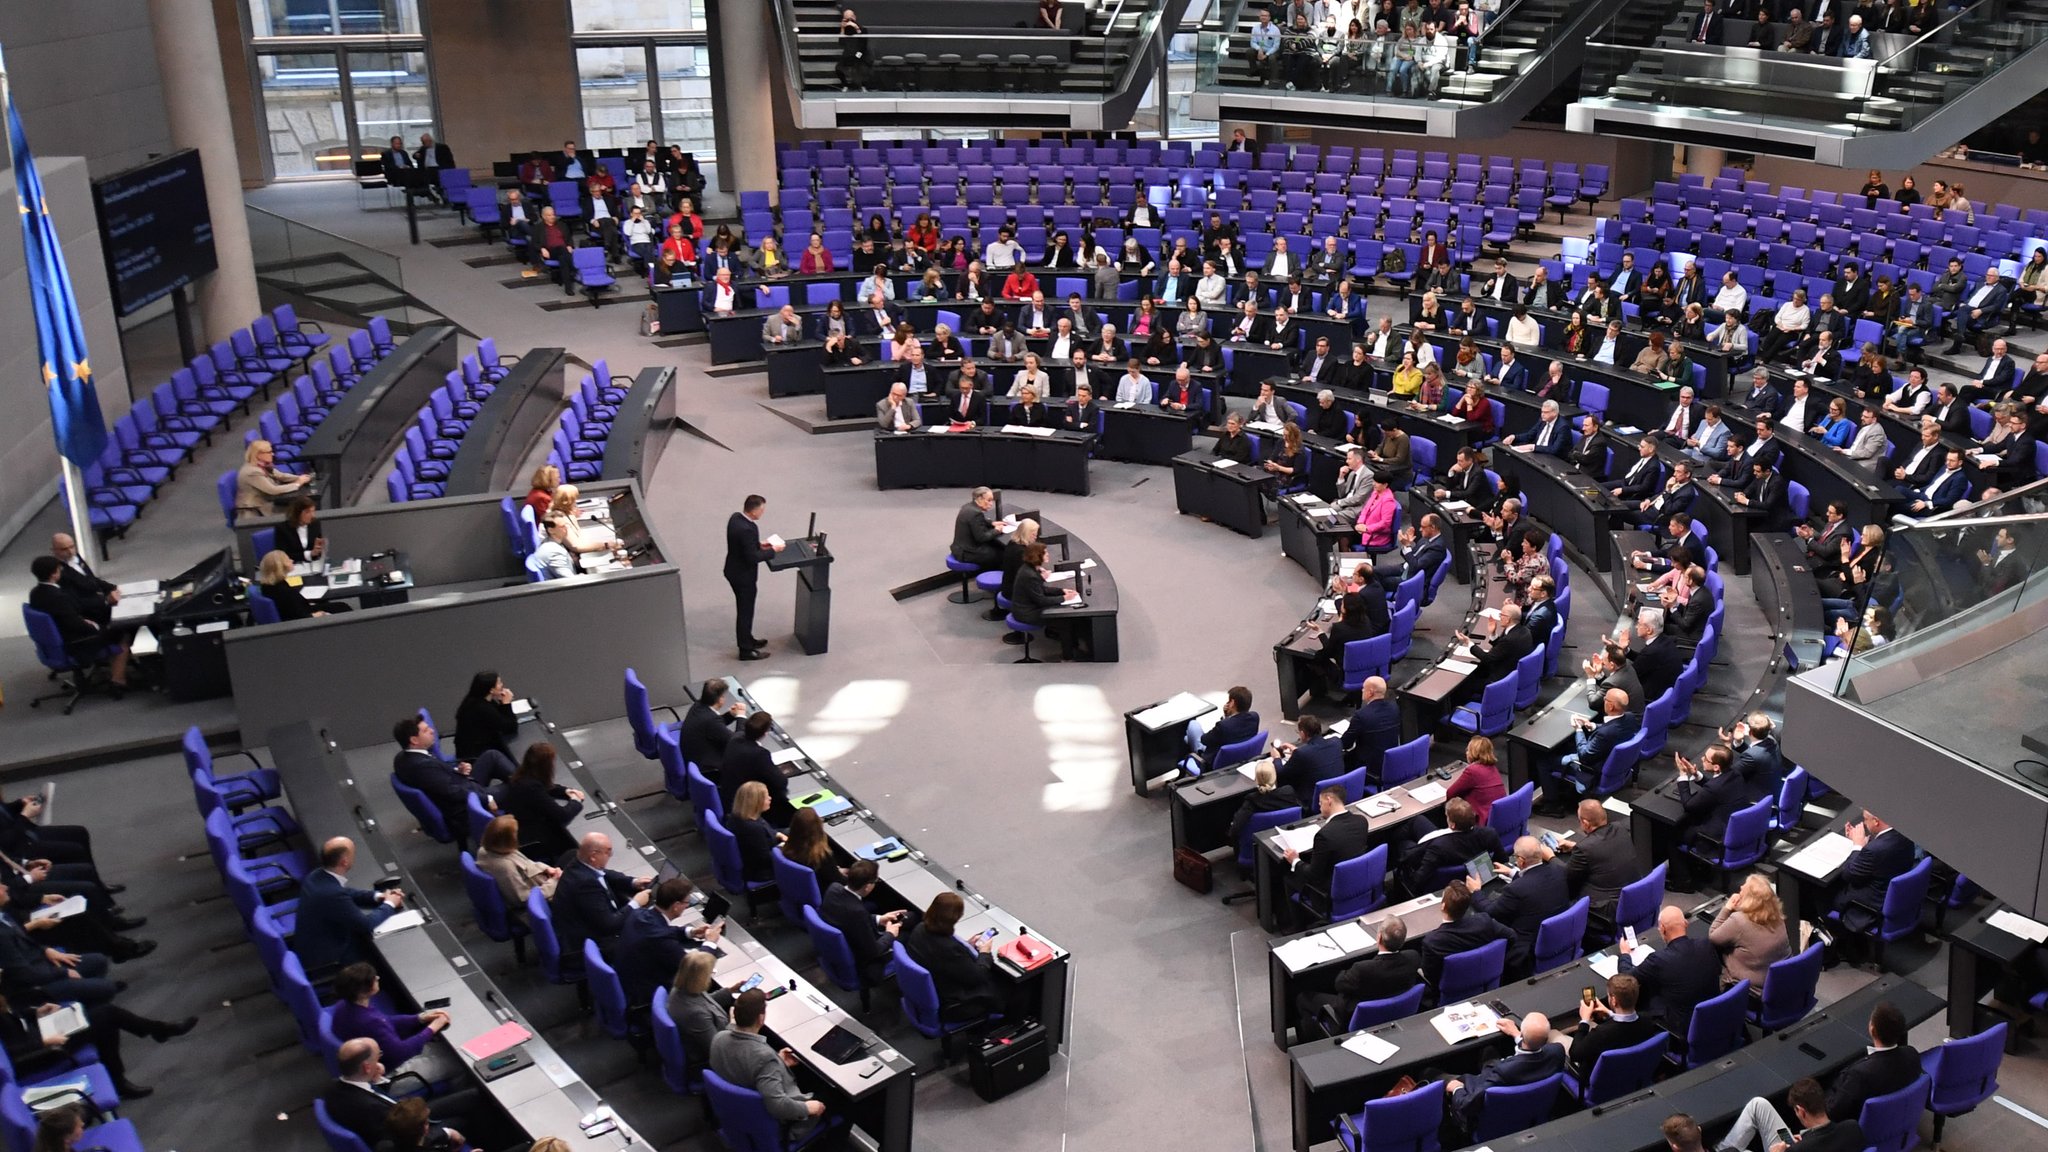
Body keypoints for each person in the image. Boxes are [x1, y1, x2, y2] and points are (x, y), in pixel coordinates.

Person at [0, 990, 188, 1101]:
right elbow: (8, 1053)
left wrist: (35, 1012)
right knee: (107, 1015)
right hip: (40, 1054)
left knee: (106, 1021)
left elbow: (14, 1018)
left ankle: (118, 1079)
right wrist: (44, 1042)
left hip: (41, 1035)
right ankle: (158, 1031)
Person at [710, 989, 828, 1138]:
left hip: (738, 1109)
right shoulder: (763, 1057)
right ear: (761, 1018)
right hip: (775, 1122)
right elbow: (777, 1106)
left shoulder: (718, 1038)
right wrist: (807, 1108)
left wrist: (779, 1062)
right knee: (834, 1095)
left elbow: (748, 1065)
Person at [322, 1039, 476, 1150]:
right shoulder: (372, 1109)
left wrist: (376, 1080)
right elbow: (405, 1141)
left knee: (473, 1095)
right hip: (414, 1126)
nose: (380, 1060)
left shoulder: (334, 1088)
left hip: (407, 1114)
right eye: (378, 1056)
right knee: (465, 1118)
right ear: (367, 1067)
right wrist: (446, 1133)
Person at [391, 712, 505, 846]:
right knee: (518, 786)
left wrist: (458, 771)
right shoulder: (421, 766)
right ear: (414, 740)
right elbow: (451, 792)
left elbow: (436, 780)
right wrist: (486, 799)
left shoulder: (402, 758)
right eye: (426, 730)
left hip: (461, 785)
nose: (432, 731)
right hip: (463, 807)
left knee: (491, 756)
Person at [293, 838, 404, 971]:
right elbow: (365, 924)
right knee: (383, 957)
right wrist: (390, 904)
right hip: (328, 957)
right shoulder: (331, 894)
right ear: (344, 862)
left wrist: (379, 896)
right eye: (353, 853)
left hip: (311, 943)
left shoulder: (316, 876)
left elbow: (347, 892)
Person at [900, 891, 1005, 1022]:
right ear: (957, 917)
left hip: (930, 991)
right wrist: (985, 953)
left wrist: (968, 945)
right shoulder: (950, 949)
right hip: (953, 1004)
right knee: (1008, 987)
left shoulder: (920, 929)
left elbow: (944, 959)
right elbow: (978, 977)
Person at [331, 962, 450, 1076]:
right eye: (373, 978)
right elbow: (400, 1052)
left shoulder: (345, 1004)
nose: (377, 977)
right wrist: (432, 1028)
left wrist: (420, 1018)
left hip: (368, 1059)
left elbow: (385, 1020)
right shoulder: (369, 1021)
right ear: (363, 991)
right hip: (389, 1071)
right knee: (453, 1064)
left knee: (440, 1048)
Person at [617, 877, 720, 1007]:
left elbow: (661, 929)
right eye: (686, 902)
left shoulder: (640, 914)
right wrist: (710, 943)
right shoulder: (661, 939)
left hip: (628, 979)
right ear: (676, 906)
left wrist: (691, 932)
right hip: (646, 994)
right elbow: (693, 968)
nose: (688, 905)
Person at [1619, 905, 1722, 1034]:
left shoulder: (1659, 960)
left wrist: (1625, 954)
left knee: (1645, 995)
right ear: (1685, 923)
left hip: (1683, 1027)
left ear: (1662, 929)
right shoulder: (1706, 945)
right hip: (1714, 1015)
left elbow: (1625, 978)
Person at [1536, 688, 1638, 816]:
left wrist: (1578, 729)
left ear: (1611, 706)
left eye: (1605, 699)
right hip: (1610, 760)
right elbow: (1614, 728)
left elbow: (1584, 757)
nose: (1603, 700)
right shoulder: (1630, 717)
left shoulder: (1604, 734)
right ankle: (1561, 788)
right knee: (1567, 746)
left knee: (1543, 761)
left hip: (1592, 769)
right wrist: (1592, 725)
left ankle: (1553, 805)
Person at [550, 832, 652, 959]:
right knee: (649, 938)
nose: (610, 855)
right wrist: (636, 903)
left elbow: (604, 873)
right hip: (585, 946)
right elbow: (610, 925)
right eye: (607, 852)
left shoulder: (577, 862)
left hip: (581, 929)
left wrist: (633, 882)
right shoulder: (585, 884)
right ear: (593, 856)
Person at [820, 860, 910, 987]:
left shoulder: (834, 888)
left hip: (838, 946)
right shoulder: (857, 912)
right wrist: (890, 933)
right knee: (907, 935)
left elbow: (847, 919)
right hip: (862, 963)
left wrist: (879, 918)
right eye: (875, 881)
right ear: (867, 886)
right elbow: (874, 951)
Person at [1417, 881, 1516, 987]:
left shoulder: (1432, 941)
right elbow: (1512, 936)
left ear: (1443, 906)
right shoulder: (1484, 921)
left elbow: (1431, 976)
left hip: (1453, 989)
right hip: (1487, 981)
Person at [1832, 809, 1915, 935]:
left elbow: (1848, 874)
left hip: (1869, 906)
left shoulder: (1874, 850)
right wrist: (1863, 844)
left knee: (1821, 890)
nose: (1864, 823)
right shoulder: (1905, 833)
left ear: (1876, 821)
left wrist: (1857, 846)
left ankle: (1839, 939)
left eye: (1865, 819)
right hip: (1894, 894)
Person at [500, 743, 585, 864]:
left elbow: (544, 786)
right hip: (531, 837)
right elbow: (562, 815)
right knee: (569, 844)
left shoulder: (522, 776)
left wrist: (566, 791)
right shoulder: (532, 788)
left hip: (519, 827)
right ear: (546, 766)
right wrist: (576, 801)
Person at [725, 494, 784, 661]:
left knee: (745, 610)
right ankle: (745, 650)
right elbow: (752, 557)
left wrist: (759, 544)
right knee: (745, 612)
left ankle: (748, 639)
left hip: (733, 570)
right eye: (761, 510)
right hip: (743, 577)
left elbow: (744, 546)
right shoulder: (748, 529)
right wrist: (773, 551)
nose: (762, 513)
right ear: (753, 511)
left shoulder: (736, 519)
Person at [1710, 874, 1791, 991]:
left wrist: (1727, 908)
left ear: (1749, 900)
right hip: (1779, 979)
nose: (1741, 887)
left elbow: (1713, 936)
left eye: (1745, 887)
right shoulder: (1777, 915)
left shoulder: (1739, 920)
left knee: (1709, 948)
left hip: (1751, 988)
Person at [719, 711, 794, 825]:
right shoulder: (759, 754)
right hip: (743, 803)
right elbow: (781, 782)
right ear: (765, 733)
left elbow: (740, 731)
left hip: (728, 793)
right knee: (781, 798)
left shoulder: (736, 738)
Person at [669, 950, 736, 1072]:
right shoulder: (696, 1014)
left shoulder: (682, 989)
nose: (711, 976)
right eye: (709, 973)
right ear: (699, 978)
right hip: (713, 1056)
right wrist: (734, 1023)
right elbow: (717, 1048)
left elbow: (706, 1001)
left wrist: (730, 991)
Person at [474, 815, 559, 908]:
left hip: (540, 879)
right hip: (545, 896)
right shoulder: (505, 867)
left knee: (569, 856)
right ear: (507, 840)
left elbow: (526, 863)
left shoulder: (488, 849)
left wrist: (546, 869)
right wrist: (554, 882)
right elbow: (523, 899)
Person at [1228, 759, 1303, 852]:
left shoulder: (1252, 801)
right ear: (1275, 776)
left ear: (1256, 779)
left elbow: (1235, 829)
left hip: (1257, 851)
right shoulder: (1288, 792)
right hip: (1288, 847)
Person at [453, 670, 521, 765]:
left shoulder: (476, 700)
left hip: (474, 746)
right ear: (491, 690)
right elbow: (509, 727)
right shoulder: (482, 708)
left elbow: (498, 718)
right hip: (476, 755)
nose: (502, 685)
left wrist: (502, 703)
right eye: (499, 683)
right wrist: (506, 704)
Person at [680, 677, 745, 776]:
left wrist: (731, 714)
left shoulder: (698, 705)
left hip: (692, 757)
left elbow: (714, 726)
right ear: (720, 699)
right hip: (708, 769)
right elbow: (737, 742)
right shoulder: (711, 721)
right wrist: (741, 716)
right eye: (724, 696)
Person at [235, 439, 312, 522]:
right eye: (269, 452)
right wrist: (297, 484)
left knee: (300, 508)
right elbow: (273, 490)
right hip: (256, 511)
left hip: (267, 502)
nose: (273, 454)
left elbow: (281, 476)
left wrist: (299, 477)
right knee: (298, 512)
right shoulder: (252, 472)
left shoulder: (263, 464)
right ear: (259, 455)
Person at [1343, 676, 1403, 778]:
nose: (1362, 690)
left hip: (1370, 768)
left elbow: (1346, 744)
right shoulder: (1394, 708)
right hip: (1391, 761)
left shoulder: (1361, 715)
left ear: (1370, 692)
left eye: (1363, 688)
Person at [1446, 736, 1507, 825]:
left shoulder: (1472, 771)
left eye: (1468, 750)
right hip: (1498, 818)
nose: (1466, 753)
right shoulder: (1493, 768)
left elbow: (1450, 793)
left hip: (1482, 821)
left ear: (1473, 753)